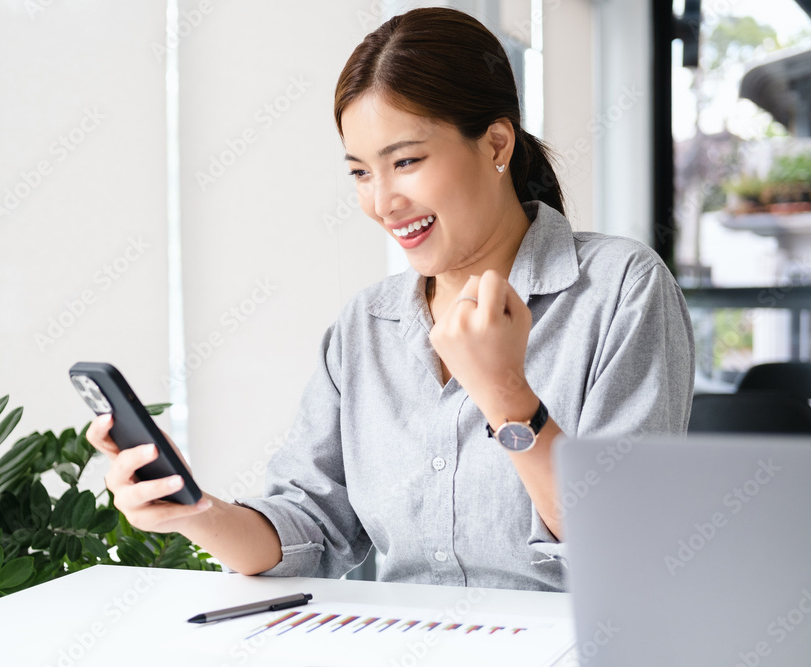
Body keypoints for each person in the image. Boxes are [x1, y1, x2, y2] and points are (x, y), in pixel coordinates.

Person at [86, 7, 694, 592]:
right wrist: (193, 511)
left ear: (497, 145)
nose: (382, 202)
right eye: (359, 172)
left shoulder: (621, 289)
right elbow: (312, 527)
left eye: (405, 161)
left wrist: (507, 395)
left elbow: (628, 548)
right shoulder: (366, 325)